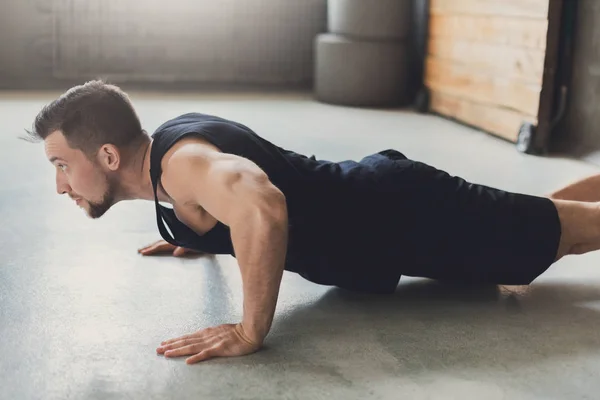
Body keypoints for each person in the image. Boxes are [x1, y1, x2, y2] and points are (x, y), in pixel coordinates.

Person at [27, 80, 600, 365]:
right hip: (392, 219)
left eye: (61, 166)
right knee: (546, 222)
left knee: (568, 237)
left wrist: (252, 331)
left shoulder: (185, 166)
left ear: (106, 156)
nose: (59, 185)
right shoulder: (169, 166)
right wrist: (202, 234)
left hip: (406, 216)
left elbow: (262, 207)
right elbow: (231, 209)